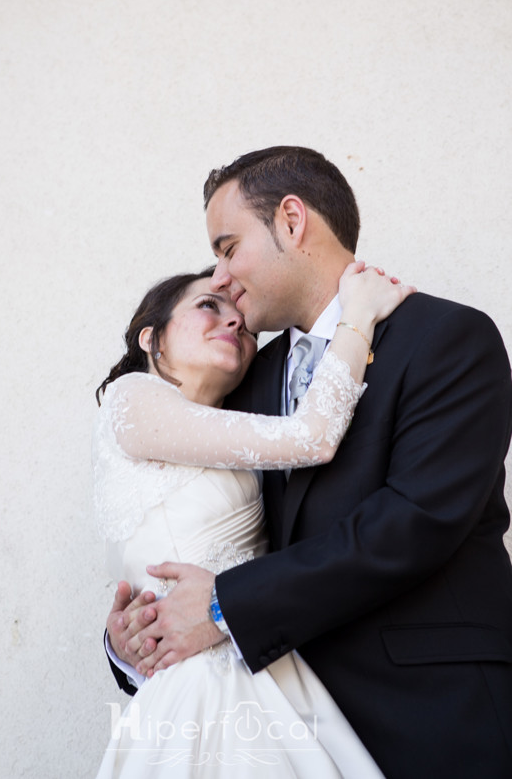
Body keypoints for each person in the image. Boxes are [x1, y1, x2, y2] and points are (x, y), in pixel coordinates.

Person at [108, 146, 512, 779]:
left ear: (292, 221)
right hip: (277, 730)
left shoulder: (447, 338)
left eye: (228, 248)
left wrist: (222, 607)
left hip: (432, 715)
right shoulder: (240, 378)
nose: (220, 277)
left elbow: (415, 522)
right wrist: (137, 637)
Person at [93, 260, 413, 776]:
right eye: (208, 305)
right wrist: (358, 316)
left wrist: (132, 639)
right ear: (152, 339)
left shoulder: (238, 429)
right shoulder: (131, 397)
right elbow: (313, 437)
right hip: (195, 690)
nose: (235, 321)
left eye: (244, 322)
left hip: (270, 663)